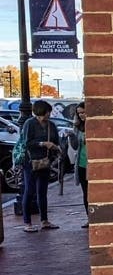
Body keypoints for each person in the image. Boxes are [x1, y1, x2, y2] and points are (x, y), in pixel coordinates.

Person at [19, 100, 61, 233]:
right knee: (29, 191)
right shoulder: (29, 123)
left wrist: (56, 147)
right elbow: (26, 142)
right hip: (31, 161)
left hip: (45, 161)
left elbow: (56, 140)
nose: (47, 115)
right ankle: (27, 222)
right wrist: (43, 143)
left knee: (42, 192)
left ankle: (44, 220)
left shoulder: (51, 125)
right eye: (46, 112)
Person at [70, 101, 89, 228]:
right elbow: (75, 146)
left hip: (92, 163)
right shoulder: (78, 127)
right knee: (86, 192)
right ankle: (89, 217)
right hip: (81, 163)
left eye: (83, 112)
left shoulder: (94, 125)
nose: (81, 115)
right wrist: (72, 136)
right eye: (79, 113)